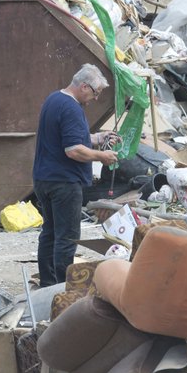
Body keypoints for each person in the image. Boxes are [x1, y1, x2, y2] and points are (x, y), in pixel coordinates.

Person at [33, 64, 120, 287]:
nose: (95, 97)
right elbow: (73, 150)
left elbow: (73, 137)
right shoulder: (71, 108)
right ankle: (64, 288)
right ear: (84, 86)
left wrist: (99, 139)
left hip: (45, 179)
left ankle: (48, 284)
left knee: (50, 233)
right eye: (95, 92)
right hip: (64, 182)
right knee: (67, 237)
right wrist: (102, 157)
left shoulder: (54, 99)